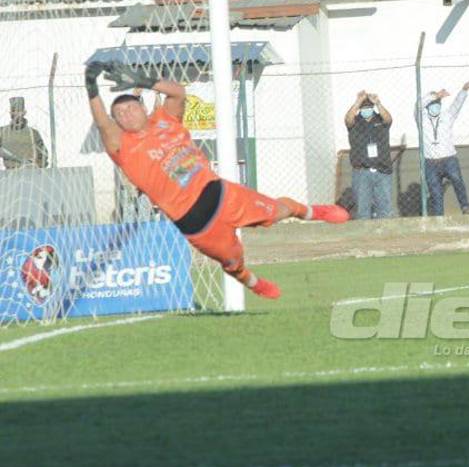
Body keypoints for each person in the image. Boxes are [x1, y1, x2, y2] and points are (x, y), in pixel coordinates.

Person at [85, 62, 348, 300]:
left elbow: (178, 92)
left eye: (131, 108)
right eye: (119, 114)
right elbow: (102, 124)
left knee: (281, 211)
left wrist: (144, 80)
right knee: (232, 262)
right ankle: (253, 282)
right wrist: (91, 87)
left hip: (220, 193)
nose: (126, 115)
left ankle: (313, 211)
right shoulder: (123, 146)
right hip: (195, 221)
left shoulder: (165, 120)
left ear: (143, 107)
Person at [416, 83, 469, 216]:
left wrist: (463, 90)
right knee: (435, 192)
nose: (436, 106)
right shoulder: (421, 119)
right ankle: (439, 217)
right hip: (430, 162)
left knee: (457, 180)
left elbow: (456, 106)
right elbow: (417, 106)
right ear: (428, 106)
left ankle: (465, 206)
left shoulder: (447, 117)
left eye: (438, 103)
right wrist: (435, 95)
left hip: (449, 159)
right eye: (433, 103)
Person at [344, 91, 395, 220]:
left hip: (382, 170)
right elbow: (347, 120)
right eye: (364, 108)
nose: (366, 110)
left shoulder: (380, 120)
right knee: (362, 210)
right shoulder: (355, 122)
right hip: (361, 172)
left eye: (369, 108)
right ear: (360, 109)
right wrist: (357, 102)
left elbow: (389, 119)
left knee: (385, 209)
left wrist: (378, 103)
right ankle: (365, 238)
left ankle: (385, 237)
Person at [0, 97, 48, 169]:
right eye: (14, 111)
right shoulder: (2, 132)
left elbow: (44, 155)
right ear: (10, 112)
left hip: (30, 173)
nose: (16, 114)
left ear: (24, 112)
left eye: (19, 111)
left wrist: (36, 165)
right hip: (9, 174)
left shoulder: (33, 133)